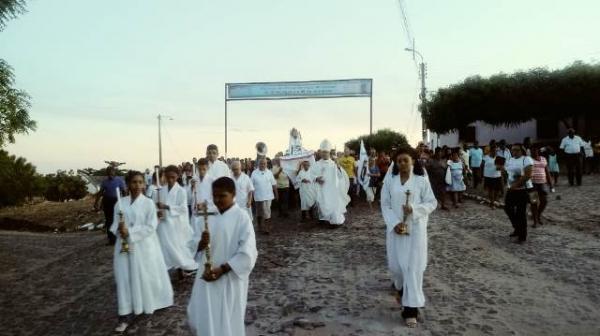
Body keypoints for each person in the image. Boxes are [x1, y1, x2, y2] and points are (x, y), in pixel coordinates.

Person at [187, 177, 258, 336]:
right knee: (202, 314)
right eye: (215, 195)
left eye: (222, 196)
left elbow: (248, 251)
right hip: (206, 275)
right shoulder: (208, 214)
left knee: (227, 318)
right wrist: (200, 243)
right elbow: (192, 242)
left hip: (229, 277)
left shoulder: (241, 217)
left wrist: (223, 269)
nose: (217, 200)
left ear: (233, 194)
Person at [110, 171, 173, 333]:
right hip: (123, 247)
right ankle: (125, 313)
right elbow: (114, 225)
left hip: (143, 246)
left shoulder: (148, 203)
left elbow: (151, 226)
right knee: (124, 277)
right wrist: (119, 229)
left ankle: (144, 303)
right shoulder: (120, 203)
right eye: (134, 182)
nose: (137, 186)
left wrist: (131, 232)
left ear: (144, 185)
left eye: (140, 182)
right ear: (128, 184)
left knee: (142, 276)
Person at [380, 148, 437, 328]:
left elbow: (431, 202)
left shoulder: (421, 180)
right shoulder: (391, 181)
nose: (402, 164)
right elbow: (385, 203)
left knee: (412, 268)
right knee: (396, 268)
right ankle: (401, 290)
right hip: (396, 230)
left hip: (415, 231)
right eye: (399, 161)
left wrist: (414, 209)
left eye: (405, 160)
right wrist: (394, 222)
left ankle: (411, 309)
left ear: (413, 161)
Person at [155, 165, 199, 275]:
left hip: (176, 223)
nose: (170, 180)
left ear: (177, 177)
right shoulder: (161, 190)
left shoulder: (181, 191)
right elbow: (155, 205)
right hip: (164, 222)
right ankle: (165, 267)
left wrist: (167, 207)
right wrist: (157, 210)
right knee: (164, 245)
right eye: (168, 177)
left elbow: (183, 208)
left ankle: (180, 266)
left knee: (177, 246)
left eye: (173, 177)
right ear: (164, 176)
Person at [311, 139, 351, 226]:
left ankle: (334, 220)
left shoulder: (333, 164)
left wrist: (338, 167)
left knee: (333, 204)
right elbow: (311, 175)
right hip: (322, 188)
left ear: (329, 153)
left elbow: (341, 176)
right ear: (321, 152)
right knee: (322, 203)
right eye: (323, 152)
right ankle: (324, 219)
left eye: (326, 152)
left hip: (332, 189)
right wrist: (317, 179)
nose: (324, 154)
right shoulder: (316, 164)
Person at [503, 144, 533, 243]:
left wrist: (515, 185)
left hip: (522, 190)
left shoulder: (526, 159)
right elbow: (508, 172)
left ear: (521, 150)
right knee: (508, 208)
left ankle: (522, 236)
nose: (514, 151)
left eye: (517, 150)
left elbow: (528, 175)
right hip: (511, 189)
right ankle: (517, 228)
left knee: (521, 213)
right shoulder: (511, 160)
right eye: (513, 150)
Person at [94, 166, 126, 245]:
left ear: (115, 172)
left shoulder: (119, 181)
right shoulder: (105, 182)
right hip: (107, 202)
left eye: (111, 172)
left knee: (118, 220)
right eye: (108, 173)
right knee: (109, 221)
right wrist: (96, 202)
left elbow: (124, 192)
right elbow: (100, 193)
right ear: (107, 173)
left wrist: (125, 202)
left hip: (117, 202)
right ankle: (111, 240)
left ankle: (121, 238)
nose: (110, 174)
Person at [251, 158, 278, 234]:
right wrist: (251, 197)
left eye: (264, 163)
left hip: (268, 196)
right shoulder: (254, 173)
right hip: (258, 196)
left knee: (267, 212)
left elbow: (273, 184)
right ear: (258, 164)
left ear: (266, 164)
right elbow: (251, 185)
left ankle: (267, 228)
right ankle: (259, 226)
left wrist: (276, 194)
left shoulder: (269, 172)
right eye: (261, 163)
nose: (263, 165)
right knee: (259, 212)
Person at [189, 159, 215, 237]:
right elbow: (189, 197)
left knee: (206, 236)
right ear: (197, 168)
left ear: (208, 168)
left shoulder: (212, 180)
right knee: (195, 236)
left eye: (204, 169)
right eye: (200, 169)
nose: (202, 171)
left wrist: (204, 204)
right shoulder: (194, 180)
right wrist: (191, 187)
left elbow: (215, 198)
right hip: (196, 212)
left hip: (207, 212)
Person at [530, 146, 553, 227]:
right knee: (534, 202)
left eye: (536, 150)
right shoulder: (528, 160)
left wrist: (551, 184)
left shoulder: (543, 159)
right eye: (533, 151)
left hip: (542, 183)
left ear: (538, 151)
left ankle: (538, 215)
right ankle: (535, 221)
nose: (534, 152)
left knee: (544, 201)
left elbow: (547, 172)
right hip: (532, 185)